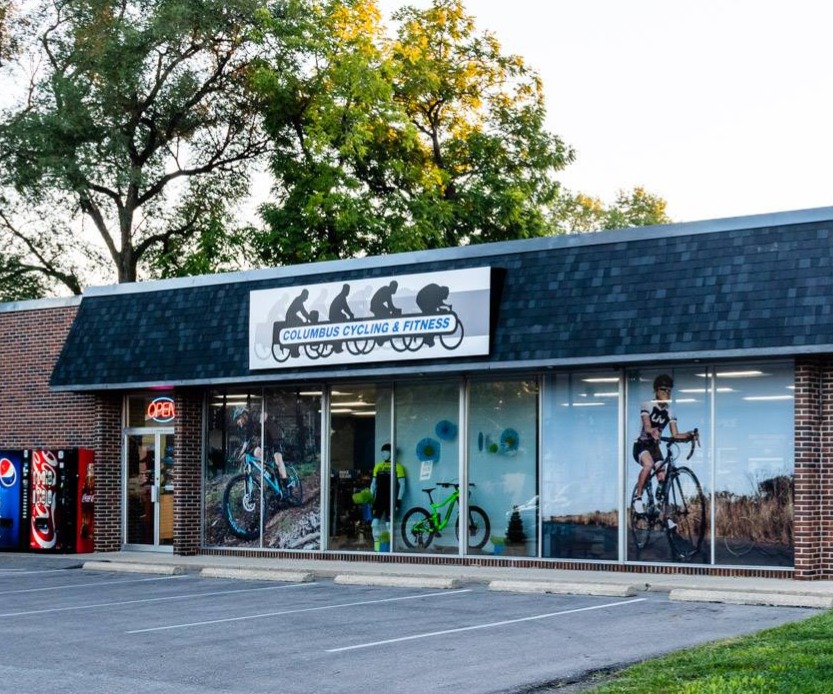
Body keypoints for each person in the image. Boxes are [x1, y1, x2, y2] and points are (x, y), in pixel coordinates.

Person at [631, 374, 696, 513]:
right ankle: (638, 498)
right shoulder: (647, 405)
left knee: (662, 475)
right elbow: (647, 426)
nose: (666, 393)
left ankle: (665, 516)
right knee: (648, 465)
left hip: (654, 447)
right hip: (641, 444)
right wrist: (652, 430)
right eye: (663, 390)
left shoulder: (670, 411)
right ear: (656, 391)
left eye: (669, 390)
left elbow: (675, 435)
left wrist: (690, 435)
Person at [231, 406, 289, 491]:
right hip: (265, 439)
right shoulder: (248, 427)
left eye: (238, 419)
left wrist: (262, 420)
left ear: (244, 415)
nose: (238, 422)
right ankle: (270, 475)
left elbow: (264, 414)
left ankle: (286, 487)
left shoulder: (254, 416)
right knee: (257, 452)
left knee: (278, 459)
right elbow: (246, 442)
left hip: (275, 435)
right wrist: (241, 454)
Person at [370, 443, 406, 550]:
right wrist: (371, 497)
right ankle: (377, 548)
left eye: (386, 452)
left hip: (391, 499)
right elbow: (373, 483)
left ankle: (389, 549)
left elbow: (402, 484)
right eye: (382, 452)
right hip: (379, 499)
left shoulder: (398, 467)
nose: (383, 454)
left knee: (389, 525)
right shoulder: (378, 466)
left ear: (391, 453)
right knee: (374, 524)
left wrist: (399, 500)